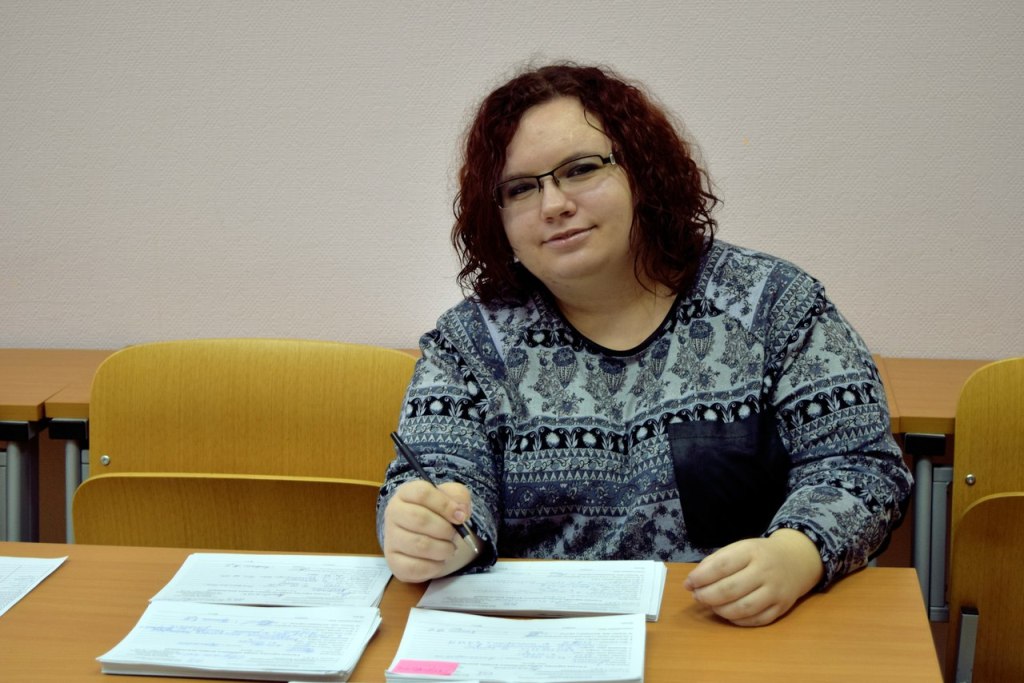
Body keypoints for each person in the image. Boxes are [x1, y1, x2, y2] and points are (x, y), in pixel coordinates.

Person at [376, 62, 912, 627]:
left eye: (580, 170)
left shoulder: (772, 305)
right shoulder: (470, 344)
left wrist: (797, 553)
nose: (553, 205)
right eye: (521, 188)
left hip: (731, 632)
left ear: (643, 172)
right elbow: (437, 477)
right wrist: (433, 534)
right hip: (540, 640)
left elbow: (862, 466)